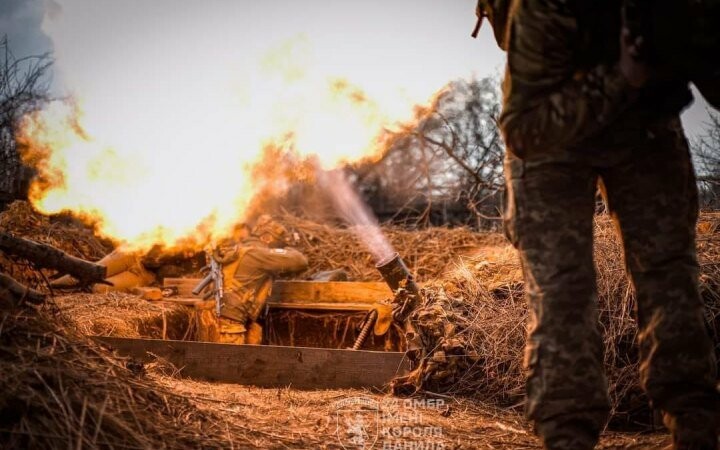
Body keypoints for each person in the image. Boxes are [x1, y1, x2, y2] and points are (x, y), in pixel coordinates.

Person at [482, 0, 720, 448]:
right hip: (550, 127)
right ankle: (567, 434)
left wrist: (690, 44)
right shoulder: (545, 8)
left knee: (670, 277)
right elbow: (523, 130)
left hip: (644, 125)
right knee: (561, 287)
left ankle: (697, 429)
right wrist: (620, 78)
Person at [197, 215, 308, 345]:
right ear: (267, 237)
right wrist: (287, 248)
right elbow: (300, 261)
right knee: (229, 362)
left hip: (215, 317)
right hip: (229, 323)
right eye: (278, 243)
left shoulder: (240, 250)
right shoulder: (257, 254)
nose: (277, 248)